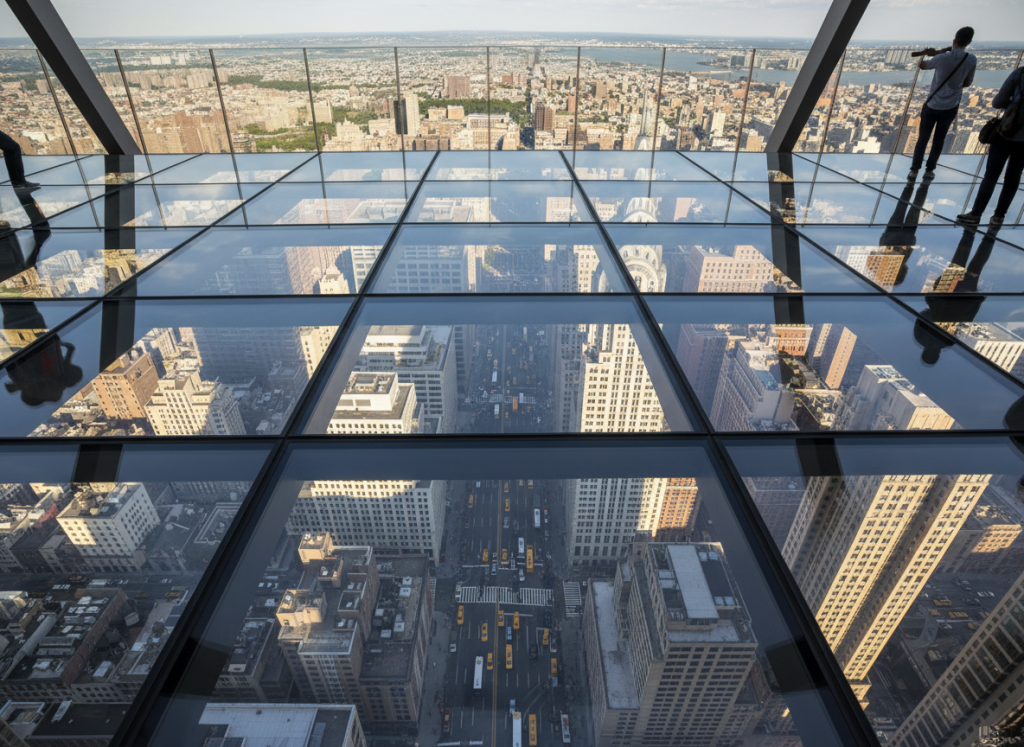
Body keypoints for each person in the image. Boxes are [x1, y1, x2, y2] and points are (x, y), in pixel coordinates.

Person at [956, 66, 1024, 226]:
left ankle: (976, 214)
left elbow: (997, 102)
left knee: (991, 175)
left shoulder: (1020, 73)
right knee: (1013, 178)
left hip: (1007, 130)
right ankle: (999, 217)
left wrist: (1013, 103)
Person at [909, 27, 977, 180]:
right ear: (969, 42)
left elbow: (922, 65)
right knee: (939, 139)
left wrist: (927, 53)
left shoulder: (941, 58)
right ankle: (930, 170)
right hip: (951, 106)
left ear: (954, 41)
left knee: (923, 138)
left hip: (932, 104)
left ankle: (914, 169)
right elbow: (967, 82)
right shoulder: (971, 59)